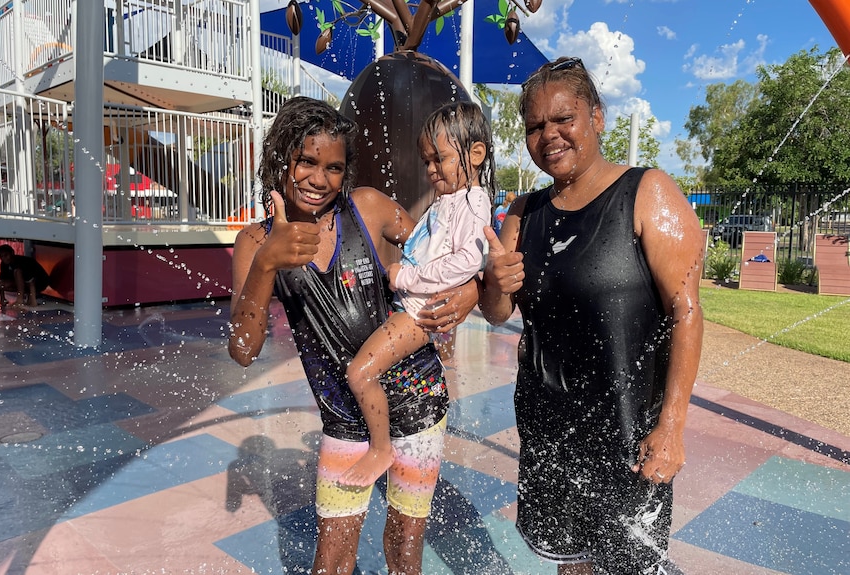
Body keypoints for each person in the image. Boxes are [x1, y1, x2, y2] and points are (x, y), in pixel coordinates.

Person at [228, 96, 477, 575]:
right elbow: (243, 350)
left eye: (334, 167)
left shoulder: (367, 208)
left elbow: (444, 247)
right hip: (344, 418)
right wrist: (268, 264)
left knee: (406, 548)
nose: (320, 180)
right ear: (280, 157)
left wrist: (470, 287)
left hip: (419, 399)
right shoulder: (255, 243)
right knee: (333, 558)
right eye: (306, 161)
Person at [479, 56, 704, 575]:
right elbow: (496, 313)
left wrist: (672, 424)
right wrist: (495, 283)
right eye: (535, 126)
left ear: (596, 117)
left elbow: (686, 313)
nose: (549, 135)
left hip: (629, 435)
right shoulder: (523, 212)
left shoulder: (647, 193)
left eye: (564, 119)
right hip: (550, 434)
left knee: (631, 567)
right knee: (571, 565)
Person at [340, 101, 494, 487]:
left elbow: (465, 263)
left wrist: (406, 277)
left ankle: (380, 449)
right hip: (409, 306)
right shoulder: (448, 200)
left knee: (360, 373)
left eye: (439, 159)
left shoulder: (475, 202)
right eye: (427, 161)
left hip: (418, 312)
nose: (430, 170)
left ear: (475, 154)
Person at [0, 244, 50, 310]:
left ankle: (20, 299)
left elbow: (31, 281)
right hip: (26, 283)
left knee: (17, 271)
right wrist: (2, 299)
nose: (4, 258)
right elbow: (2, 281)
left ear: (12, 253)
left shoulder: (22, 262)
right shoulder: (4, 264)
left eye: (6, 255)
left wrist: (33, 300)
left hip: (39, 282)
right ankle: (24, 297)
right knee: (2, 284)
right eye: (1, 256)